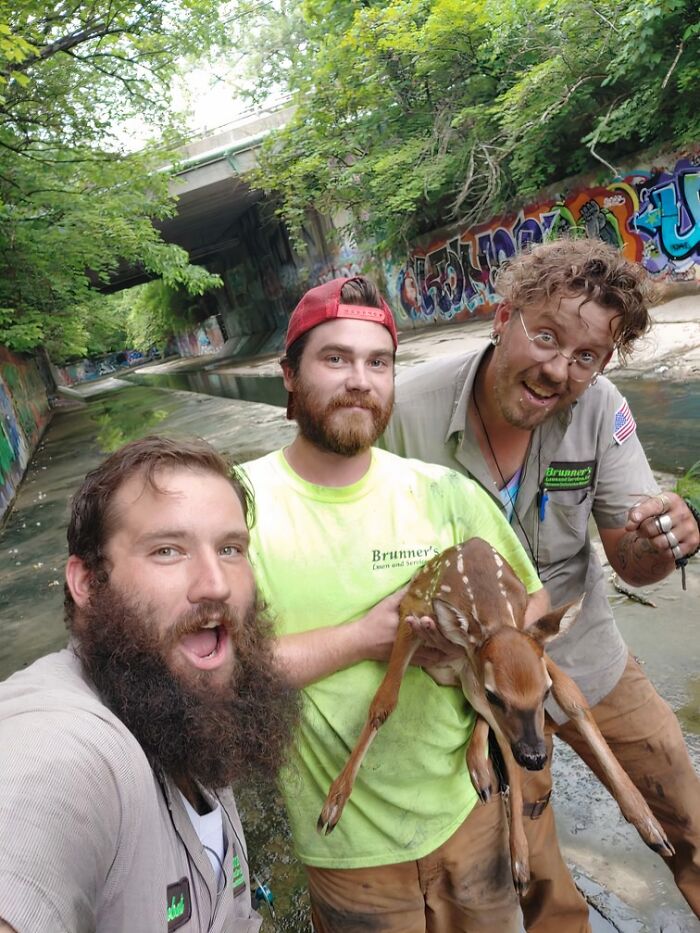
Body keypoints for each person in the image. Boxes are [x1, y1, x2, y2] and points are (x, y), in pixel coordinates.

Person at [381, 236, 700, 930]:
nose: (559, 368)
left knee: (687, 810)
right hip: (480, 687)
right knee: (541, 880)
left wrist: (667, 541)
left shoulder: (599, 408)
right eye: (547, 336)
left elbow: (630, 561)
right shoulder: (404, 414)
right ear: (504, 316)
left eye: (586, 355)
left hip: (585, 651)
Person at [242, 276, 550, 933]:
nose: (360, 379)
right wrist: (366, 636)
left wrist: (478, 670)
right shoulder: (238, 508)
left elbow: (533, 606)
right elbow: (219, 676)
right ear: (288, 374)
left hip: (469, 819)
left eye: (377, 362)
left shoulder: (446, 493)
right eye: (335, 358)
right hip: (349, 848)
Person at [0, 436, 298, 933]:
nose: (216, 583)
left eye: (230, 548)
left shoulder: (181, 701)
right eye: (167, 550)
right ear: (88, 583)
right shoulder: (67, 749)